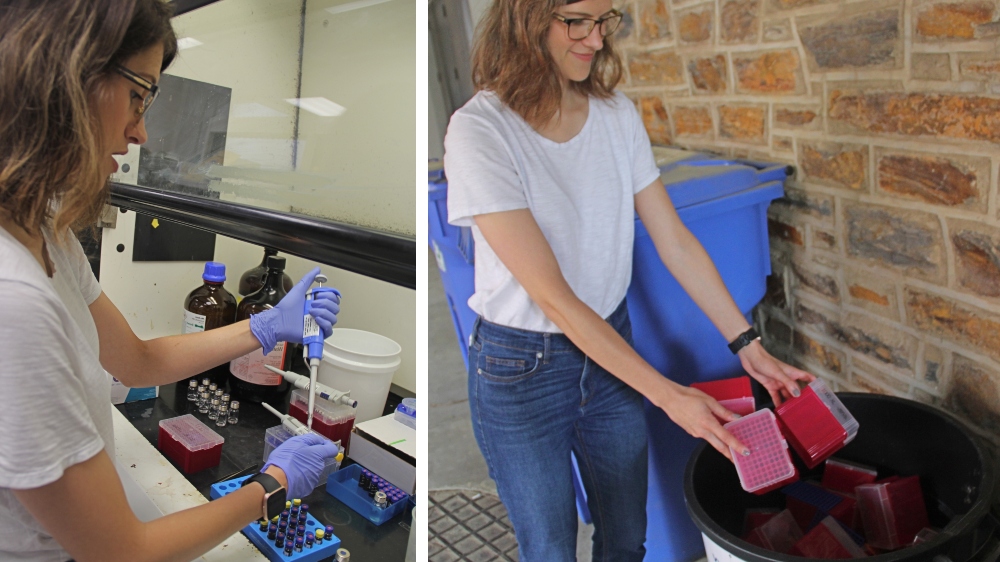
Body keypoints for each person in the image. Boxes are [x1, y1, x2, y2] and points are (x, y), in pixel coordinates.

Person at [443, 0, 816, 559]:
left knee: (626, 541)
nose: (595, 40)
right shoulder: (480, 131)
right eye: (576, 21)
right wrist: (669, 396)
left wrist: (747, 343)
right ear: (524, 17)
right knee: (549, 548)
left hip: (611, 350)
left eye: (604, 21)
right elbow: (555, 299)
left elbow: (676, 242)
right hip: (521, 369)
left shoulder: (615, 115)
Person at [0, 1, 342, 561]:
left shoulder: (46, 231)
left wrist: (264, 327)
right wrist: (272, 486)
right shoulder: (12, 298)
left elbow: (135, 360)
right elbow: (123, 553)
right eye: (139, 95)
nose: (141, 132)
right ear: (63, 74)